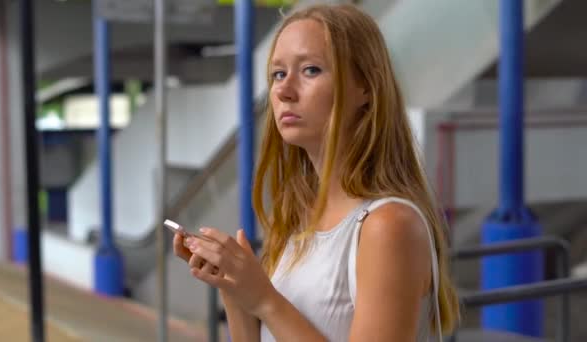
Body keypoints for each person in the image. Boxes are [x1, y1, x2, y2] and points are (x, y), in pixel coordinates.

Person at [173, 3, 459, 341]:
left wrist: (264, 299)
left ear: (365, 87)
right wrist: (234, 289)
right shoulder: (297, 224)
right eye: (278, 74)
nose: (283, 90)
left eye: (310, 70)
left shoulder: (388, 226)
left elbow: (271, 309)